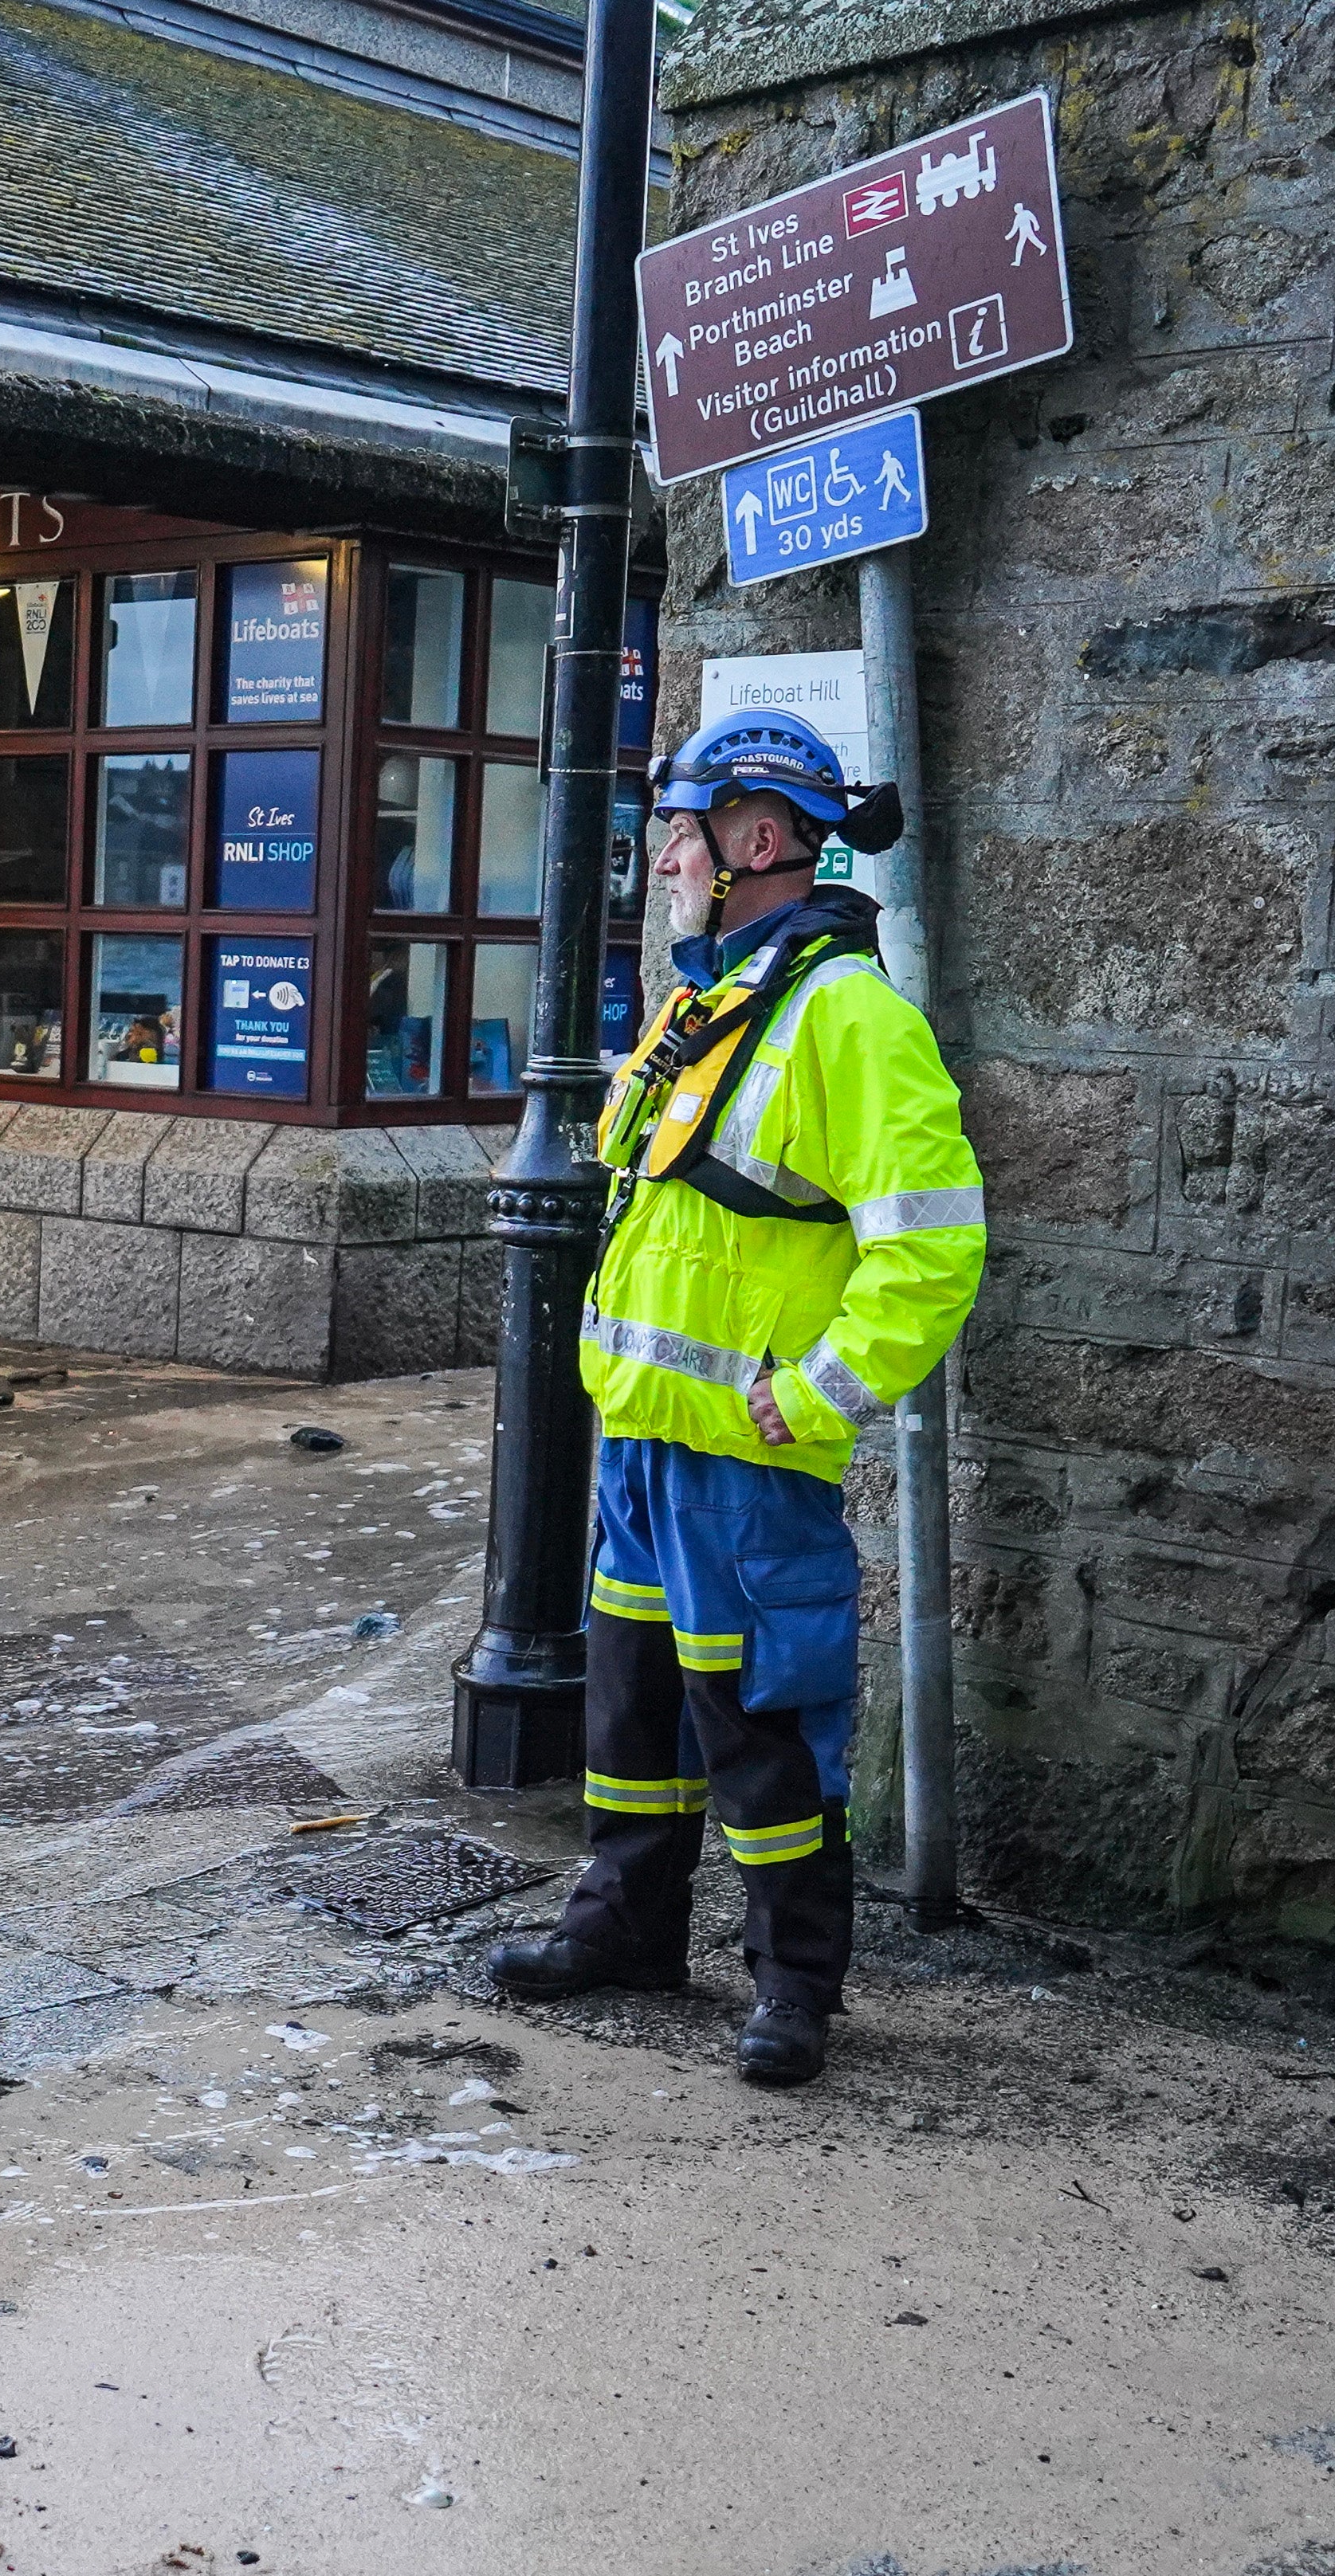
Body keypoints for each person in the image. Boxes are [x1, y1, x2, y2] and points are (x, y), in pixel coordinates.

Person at [485, 707, 987, 2087]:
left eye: (683, 835)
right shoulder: (712, 998)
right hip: (648, 1449)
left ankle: (794, 1981)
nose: (664, 862)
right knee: (634, 1710)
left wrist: (819, 1391)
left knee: (765, 1724)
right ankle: (630, 1923)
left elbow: (933, 1242)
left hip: (747, 1459)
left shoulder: (849, 1016)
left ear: (758, 840)